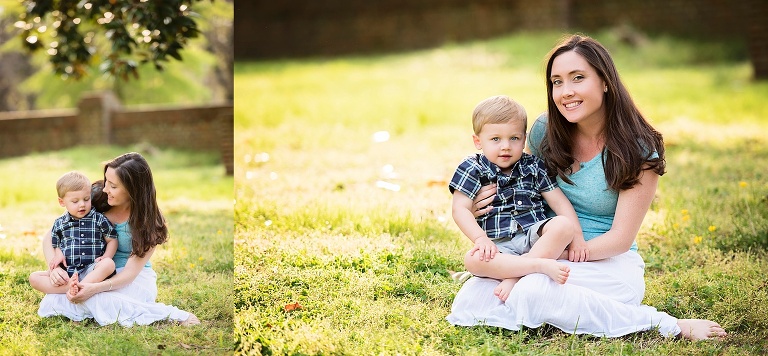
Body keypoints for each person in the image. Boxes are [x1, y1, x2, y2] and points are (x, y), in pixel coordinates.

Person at [446, 34, 726, 340]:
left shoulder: (638, 148)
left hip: (603, 261)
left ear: (605, 81)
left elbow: (620, 239)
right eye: (557, 82)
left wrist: (548, 260)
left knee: (533, 290)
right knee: (471, 298)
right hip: (541, 249)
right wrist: (476, 207)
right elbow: (522, 191)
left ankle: (667, 325)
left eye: (577, 78)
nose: (566, 92)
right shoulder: (544, 133)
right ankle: (539, 294)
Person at [31, 152, 200, 327]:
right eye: (106, 182)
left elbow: (129, 274)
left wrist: (93, 289)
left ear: (132, 189)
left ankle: (170, 315)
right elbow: (50, 237)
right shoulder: (94, 197)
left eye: (112, 186)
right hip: (91, 272)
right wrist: (54, 268)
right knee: (49, 295)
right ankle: (78, 291)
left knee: (91, 298)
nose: (105, 189)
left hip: (130, 279)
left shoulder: (149, 223)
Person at [450, 95, 587, 302]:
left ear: (524, 139)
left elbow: (559, 202)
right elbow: (459, 209)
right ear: (478, 141)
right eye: (495, 139)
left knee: (563, 226)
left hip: (534, 237)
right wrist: (480, 239)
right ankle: (536, 266)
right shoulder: (472, 168)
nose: (505, 146)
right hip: (497, 244)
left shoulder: (533, 165)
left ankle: (514, 276)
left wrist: (577, 237)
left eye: (514, 138)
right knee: (472, 260)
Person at [29, 171, 118, 295]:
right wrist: (58, 255)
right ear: (62, 202)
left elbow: (112, 240)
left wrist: (106, 256)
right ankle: (70, 287)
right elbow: (56, 244)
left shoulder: (98, 219)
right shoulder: (60, 223)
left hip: (92, 270)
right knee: (34, 277)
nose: (82, 204)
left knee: (109, 264)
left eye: (86, 199)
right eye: (75, 201)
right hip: (69, 272)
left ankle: (82, 286)